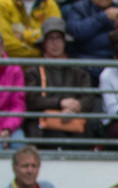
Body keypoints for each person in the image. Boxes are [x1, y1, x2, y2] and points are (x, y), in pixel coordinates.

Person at [23, 17, 94, 145]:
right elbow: (32, 101)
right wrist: (60, 103)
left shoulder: (78, 70)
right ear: (43, 43)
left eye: (58, 38)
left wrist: (73, 108)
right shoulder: (33, 71)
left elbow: (89, 99)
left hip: (75, 122)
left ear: (64, 41)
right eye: (50, 38)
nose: (55, 43)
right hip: (44, 125)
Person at [64, 0, 118, 69]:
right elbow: (77, 32)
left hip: (117, 63)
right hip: (87, 62)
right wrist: (104, 17)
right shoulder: (79, 8)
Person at [0, 40, 26, 152]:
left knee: (18, 147)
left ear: (2, 48)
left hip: (10, 126)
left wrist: (6, 129)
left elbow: (18, 105)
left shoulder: (15, 70)